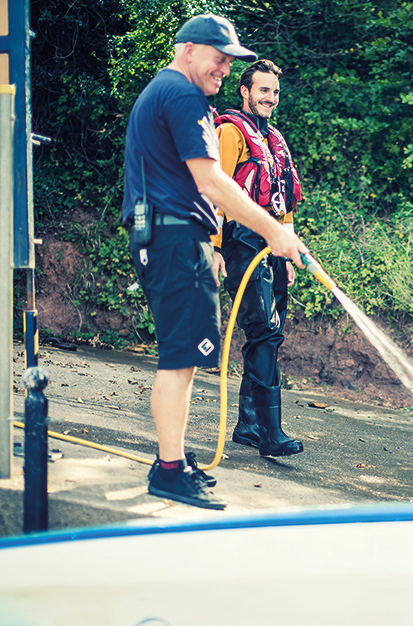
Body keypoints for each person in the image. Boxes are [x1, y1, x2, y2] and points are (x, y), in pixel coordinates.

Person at [122, 14, 308, 510]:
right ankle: (169, 470)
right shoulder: (183, 96)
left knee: (183, 357)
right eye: (219, 58)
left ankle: (174, 462)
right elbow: (212, 181)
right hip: (175, 235)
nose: (225, 69)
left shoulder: (166, 92)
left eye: (230, 62)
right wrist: (274, 231)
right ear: (187, 50)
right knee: (180, 357)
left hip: (170, 233)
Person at [211, 59, 304, 457]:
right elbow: (212, 191)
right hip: (240, 241)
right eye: (263, 90)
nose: (271, 98)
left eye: (275, 92)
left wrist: (288, 247)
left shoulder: (275, 139)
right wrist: (213, 245)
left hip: (272, 243)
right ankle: (271, 434)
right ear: (245, 92)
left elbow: (282, 200)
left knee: (269, 333)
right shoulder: (229, 132)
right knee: (263, 331)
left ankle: (249, 425)